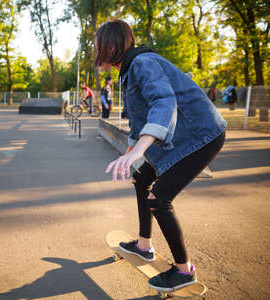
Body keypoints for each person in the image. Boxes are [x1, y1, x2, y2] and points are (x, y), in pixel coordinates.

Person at [95, 20, 226, 292]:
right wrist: (132, 152)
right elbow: (138, 119)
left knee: (159, 199)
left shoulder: (144, 63)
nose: (94, 49)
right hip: (181, 136)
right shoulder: (129, 71)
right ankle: (144, 246)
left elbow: (163, 102)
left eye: (97, 44)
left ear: (110, 45)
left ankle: (183, 270)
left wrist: (141, 150)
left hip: (201, 135)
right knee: (140, 181)